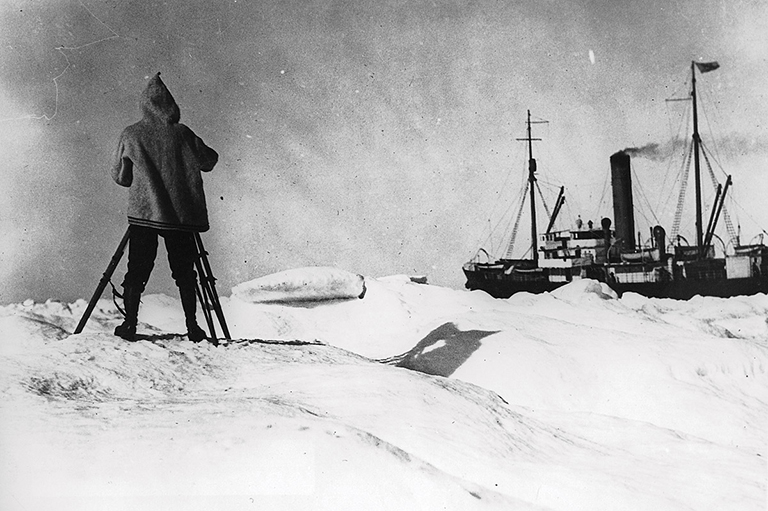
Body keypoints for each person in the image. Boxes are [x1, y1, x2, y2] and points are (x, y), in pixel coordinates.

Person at [111, 72, 219, 342]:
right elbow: (209, 161)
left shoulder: (131, 134)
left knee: (137, 268)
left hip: (145, 213)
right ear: (171, 105)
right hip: (180, 216)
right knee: (185, 271)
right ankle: (193, 326)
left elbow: (121, 177)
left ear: (144, 104)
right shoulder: (183, 134)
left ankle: (130, 323)